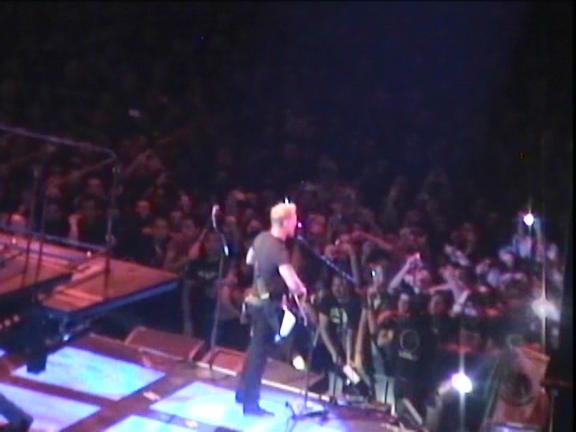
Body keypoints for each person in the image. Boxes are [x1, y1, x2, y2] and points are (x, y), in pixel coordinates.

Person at [235, 202, 307, 416]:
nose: (296, 224)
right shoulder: (278, 248)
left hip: (254, 302)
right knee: (258, 355)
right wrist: (302, 289)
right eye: (294, 220)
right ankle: (251, 404)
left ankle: (242, 393)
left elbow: (249, 260)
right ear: (285, 222)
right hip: (266, 307)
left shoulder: (261, 238)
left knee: (253, 351)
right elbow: (292, 283)